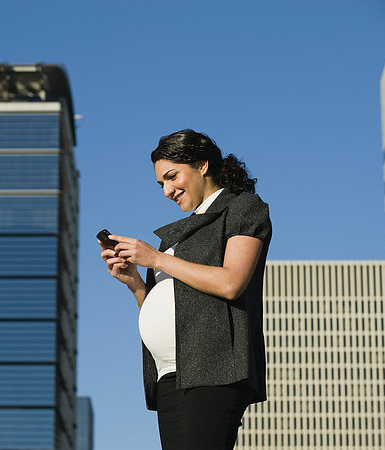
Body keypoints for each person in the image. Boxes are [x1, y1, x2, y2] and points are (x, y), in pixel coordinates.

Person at [99, 129, 272, 450]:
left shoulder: (243, 208)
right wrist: (135, 282)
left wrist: (156, 258)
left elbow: (231, 282)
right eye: (161, 183)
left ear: (202, 165)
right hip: (169, 376)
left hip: (211, 371)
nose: (167, 190)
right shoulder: (177, 238)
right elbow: (171, 307)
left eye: (172, 176)